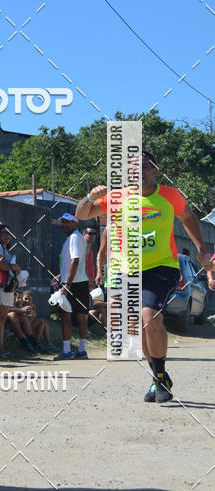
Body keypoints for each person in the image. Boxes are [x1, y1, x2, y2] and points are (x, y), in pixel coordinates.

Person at [76, 150, 213, 402]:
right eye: (132, 168)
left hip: (162, 266)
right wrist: (88, 197)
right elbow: (82, 215)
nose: (137, 172)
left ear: (154, 172)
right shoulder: (117, 198)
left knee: (150, 316)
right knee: (140, 326)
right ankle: (158, 378)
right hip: (128, 270)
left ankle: (160, 379)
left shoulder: (169, 196)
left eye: (144, 167)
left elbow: (188, 217)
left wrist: (201, 250)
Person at [55, 213, 90, 360]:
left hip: (72, 283)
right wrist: (60, 276)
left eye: (68, 222)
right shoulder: (74, 237)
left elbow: (75, 261)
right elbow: (72, 262)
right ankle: (81, 350)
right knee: (80, 316)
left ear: (75, 223)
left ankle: (67, 350)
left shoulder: (74, 237)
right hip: (78, 281)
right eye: (63, 222)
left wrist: (67, 284)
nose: (64, 224)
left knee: (66, 316)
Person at [0, 224, 22, 358]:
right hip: (0, 285)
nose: (7, 236)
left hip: (6, 286)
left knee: (2, 316)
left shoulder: (5, 249)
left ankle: (1, 347)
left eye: (9, 233)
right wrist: (14, 267)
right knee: (0, 316)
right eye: (4, 233)